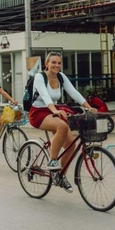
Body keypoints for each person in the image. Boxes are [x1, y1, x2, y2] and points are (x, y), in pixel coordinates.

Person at [28, 52, 97, 193]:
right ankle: (52, 160)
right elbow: (45, 96)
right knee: (62, 126)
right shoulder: (39, 77)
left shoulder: (61, 77)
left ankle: (60, 176)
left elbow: (74, 93)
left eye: (59, 63)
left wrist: (89, 107)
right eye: (53, 62)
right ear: (46, 64)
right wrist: (55, 110)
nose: (56, 65)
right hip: (39, 112)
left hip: (54, 110)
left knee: (71, 145)